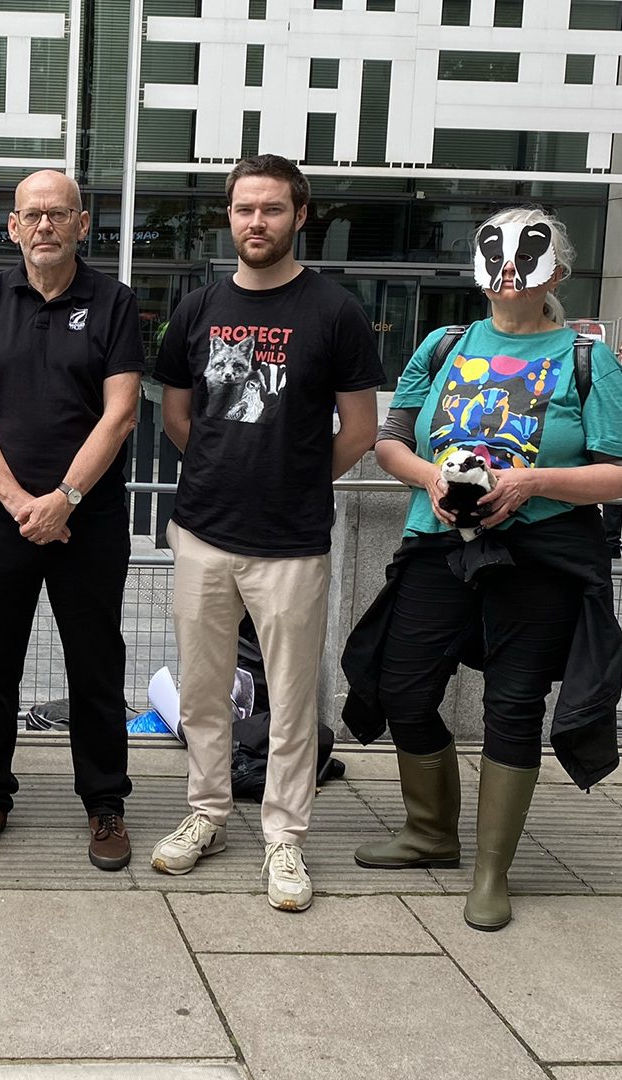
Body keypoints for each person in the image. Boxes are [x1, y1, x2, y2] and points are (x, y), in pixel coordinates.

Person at [342, 207, 622, 932]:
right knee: (401, 684)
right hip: (438, 545)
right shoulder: (443, 345)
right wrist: (433, 479)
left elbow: (617, 473)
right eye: (493, 250)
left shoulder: (588, 358)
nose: (506, 268)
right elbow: (392, 443)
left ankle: (491, 871)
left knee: (514, 701)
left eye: (525, 253)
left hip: (540, 556)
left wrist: (532, 484)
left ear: (555, 270)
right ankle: (430, 831)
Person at [150, 154, 383, 912]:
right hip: (204, 533)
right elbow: (178, 418)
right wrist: (225, 469)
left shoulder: (335, 313)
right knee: (204, 692)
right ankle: (209, 814)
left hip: (292, 542)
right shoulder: (197, 309)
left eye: (272, 209)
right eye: (245, 209)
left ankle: (285, 837)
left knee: (289, 698)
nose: (257, 222)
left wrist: (295, 477)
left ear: (299, 215)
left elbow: (361, 428)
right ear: (231, 215)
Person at [0, 169, 144, 871]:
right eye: (32, 215)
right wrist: (18, 504)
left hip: (87, 518)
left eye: (59, 214)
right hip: (3, 518)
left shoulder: (116, 303)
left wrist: (64, 498)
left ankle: (105, 804)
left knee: (96, 665)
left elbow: (120, 413)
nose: (44, 226)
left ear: (82, 224)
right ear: (13, 226)